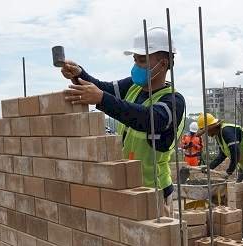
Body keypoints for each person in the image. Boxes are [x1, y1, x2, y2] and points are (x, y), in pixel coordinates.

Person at [60, 27, 185, 209]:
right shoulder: (133, 86)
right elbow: (103, 89)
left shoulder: (173, 100)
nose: (136, 67)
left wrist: (102, 99)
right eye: (135, 60)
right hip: (129, 184)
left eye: (142, 61)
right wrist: (79, 74)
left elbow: (147, 119)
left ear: (164, 64)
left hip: (154, 190)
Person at [197, 113, 243, 182]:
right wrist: (209, 167)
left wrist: (229, 171)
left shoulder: (226, 131)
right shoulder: (218, 136)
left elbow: (235, 152)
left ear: (211, 128)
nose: (207, 134)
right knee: (240, 184)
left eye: (206, 131)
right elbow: (222, 155)